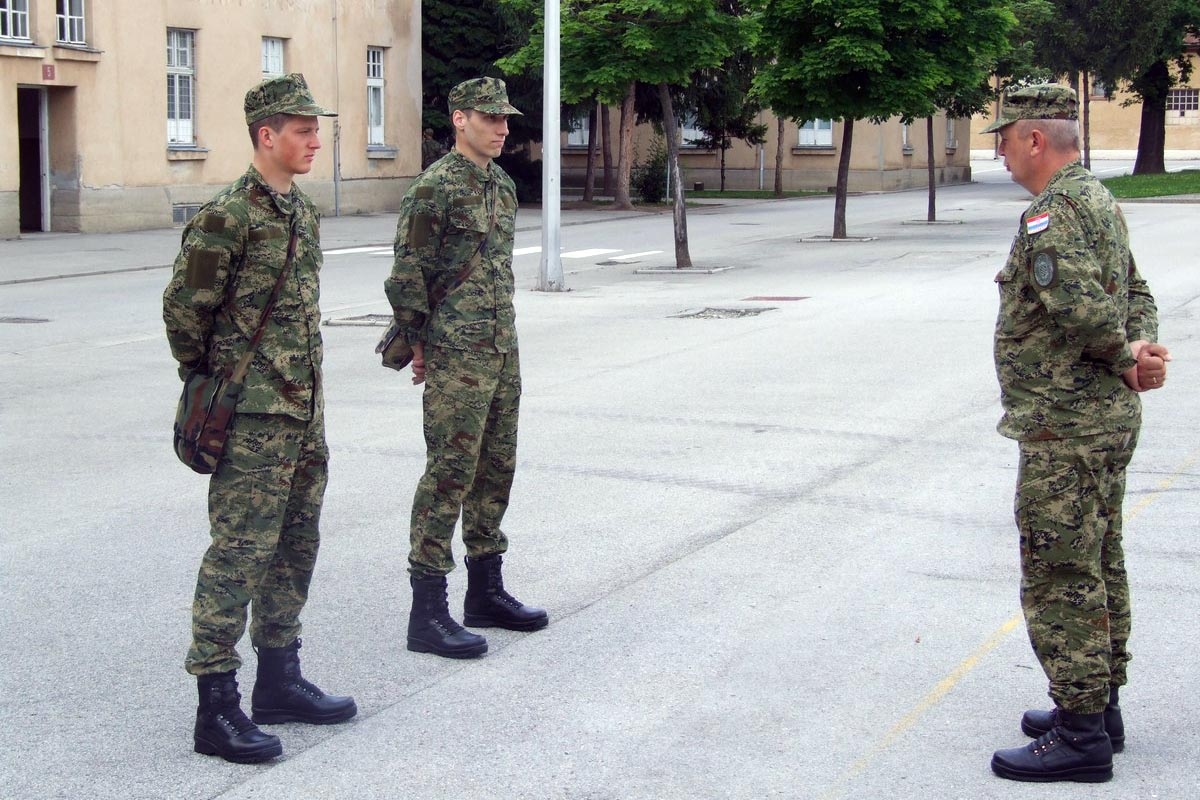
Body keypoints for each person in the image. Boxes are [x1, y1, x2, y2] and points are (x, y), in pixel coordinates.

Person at [163, 73, 356, 764]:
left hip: (304, 414)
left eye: (316, 129)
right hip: (250, 421)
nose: (315, 140)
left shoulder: (301, 211)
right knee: (239, 553)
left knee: (295, 544)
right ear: (266, 135)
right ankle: (216, 705)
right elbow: (183, 314)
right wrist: (218, 383)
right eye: (303, 130)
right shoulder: (227, 217)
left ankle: (279, 678)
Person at [983, 84, 1171, 783]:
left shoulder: (1051, 214)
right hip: (1103, 421)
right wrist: (1139, 350)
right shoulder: (1098, 198)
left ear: (1035, 139)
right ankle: (1101, 708)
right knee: (1099, 558)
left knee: (1061, 570)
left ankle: (1081, 734)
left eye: (1005, 139)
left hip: (1067, 424)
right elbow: (1136, 293)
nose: (1000, 154)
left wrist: (1124, 357)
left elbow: (1083, 308)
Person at [385, 77, 548, 660]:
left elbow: (498, 269)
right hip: (456, 351)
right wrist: (417, 339)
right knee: (449, 472)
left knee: (496, 465)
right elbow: (409, 273)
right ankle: (428, 611)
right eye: (490, 118)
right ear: (460, 119)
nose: (502, 128)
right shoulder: (433, 189)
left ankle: (485, 590)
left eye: (505, 119)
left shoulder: (502, 185)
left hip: (500, 346)